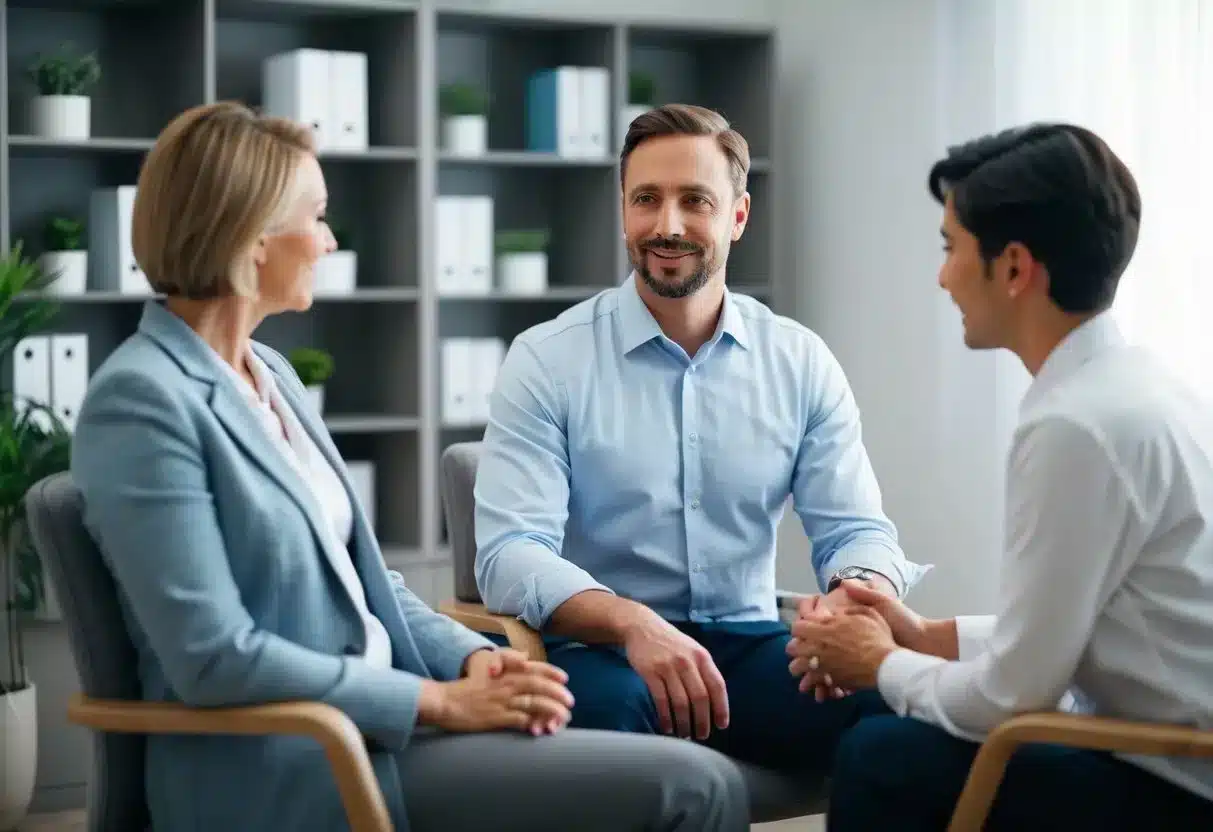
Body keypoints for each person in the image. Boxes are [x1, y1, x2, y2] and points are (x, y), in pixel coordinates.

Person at [69, 101, 752, 832]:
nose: (328, 242)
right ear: (251, 234)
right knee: (695, 788)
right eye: (318, 215)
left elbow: (365, 584)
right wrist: (438, 703)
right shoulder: (141, 402)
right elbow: (214, 657)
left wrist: (469, 659)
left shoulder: (268, 373)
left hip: (382, 731)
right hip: (295, 759)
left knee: (678, 774)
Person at [472, 102, 930, 776]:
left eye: (695, 200)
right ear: (622, 210)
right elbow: (510, 553)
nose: (667, 225)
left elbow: (856, 529)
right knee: (606, 724)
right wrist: (631, 623)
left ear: (737, 216)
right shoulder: (547, 360)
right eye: (645, 200)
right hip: (606, 653)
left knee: (902, 708)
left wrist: (854, 592)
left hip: (751, 646)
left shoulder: (798, 360)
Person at [788, 123, 1213, 830]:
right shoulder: (1139, 387)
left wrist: (876, 661)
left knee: (881, 755)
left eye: (951, 248)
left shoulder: (1075, 427)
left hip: (1176, 784)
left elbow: (1013, 698)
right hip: (1175, 753)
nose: (942, 275)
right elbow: (1070, 631)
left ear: (1013, 268)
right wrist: (922, 633)